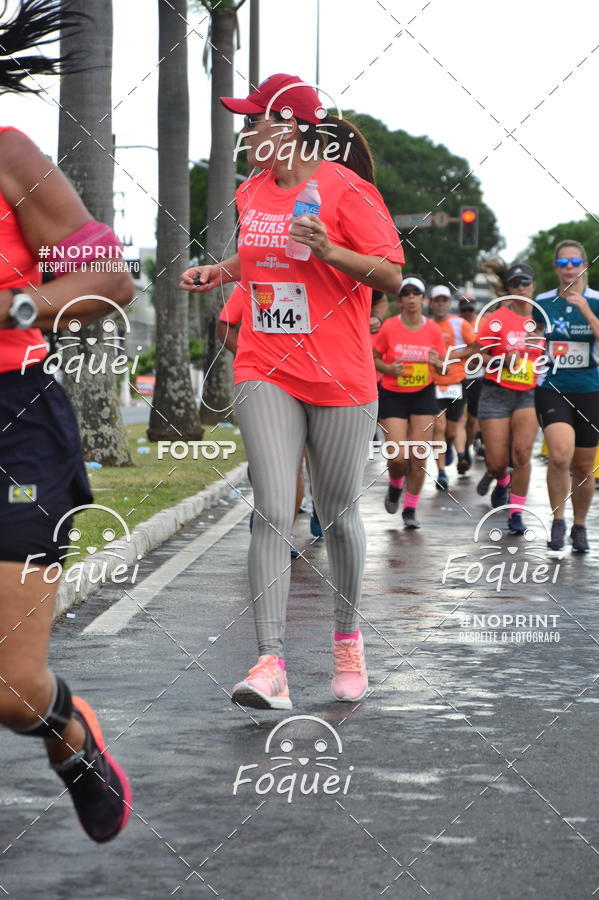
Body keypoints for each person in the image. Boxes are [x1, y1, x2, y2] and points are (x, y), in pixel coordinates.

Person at [181, 74, 404, 708]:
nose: (246, 131)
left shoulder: (348, 190)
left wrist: (329, 250)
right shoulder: (251, 190)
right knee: (273, 509)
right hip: (266, 365)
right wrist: (221, 272)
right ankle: (269, 664)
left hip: (340, 376)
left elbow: (391, 273)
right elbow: (258, 260)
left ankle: (347, 641)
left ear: (294, 129)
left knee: (337, 515)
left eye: (255, 120)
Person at [0, 0, 133, 842]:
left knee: (12, 691)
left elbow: (110, 280)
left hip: (13, 419)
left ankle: (71, 738)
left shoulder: (10, 156)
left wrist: (18, 304)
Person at [217, 286, 304, 556]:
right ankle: (268, 509)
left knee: (295, 461)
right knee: (269, 460)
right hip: (263, 381)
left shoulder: (318, 275)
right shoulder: (253, 282)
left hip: (309, 379)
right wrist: (251, 357)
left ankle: (286, 527)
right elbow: (224, 325)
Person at [533, 240, 599, 553]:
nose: (569, 267)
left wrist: (585, 310)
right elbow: (534, 337)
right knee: (560, 455)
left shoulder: (596, 301)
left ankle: (579, 525)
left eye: (574, 262)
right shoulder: (543, 301)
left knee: (584, 466)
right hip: (552, 387)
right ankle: (558, 520)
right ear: (555, 268)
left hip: (589, 388)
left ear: (584, 266)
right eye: (562, 263)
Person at [474, 262, 543, 534]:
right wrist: (502, 360)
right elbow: (478, 355)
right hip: (496, 393)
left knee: (523, 453)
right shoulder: (497, 318)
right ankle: (501, 480)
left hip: (528, 393)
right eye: (515, 284)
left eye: (525, 282)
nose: (521, 288)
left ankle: (516, 514)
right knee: (497, 462)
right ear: (509, 289)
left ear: (533, 285)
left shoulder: (543, 318)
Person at [373, 276, 445, 527]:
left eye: (416, 293)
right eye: (406, 293)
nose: (411, 297)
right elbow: (373, 357)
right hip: (393, 394)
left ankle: (410, 509)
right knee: (397, 457)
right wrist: (388, 369)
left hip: (423, 394)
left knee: (419, 456)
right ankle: (395, 485)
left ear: (423, 299)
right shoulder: (389, 327)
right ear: (400, 300)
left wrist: (438, 364)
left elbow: (444, 367)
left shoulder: (433, 330)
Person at [429, 285, 477, 489]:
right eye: (437, 301)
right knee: (438, 426)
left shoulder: (459, 324)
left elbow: (476, 346)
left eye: (444, 300)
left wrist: (453, 356)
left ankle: (450, 446)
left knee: (452, 428)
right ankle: (441, 473)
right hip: (433, 383)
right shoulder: (426, 325)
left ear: (449, 303)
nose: (440, 304)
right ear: (431, 303)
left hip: (457, 381)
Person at [458, 296, 485, 466]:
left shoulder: (482, 324)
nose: (468, 312)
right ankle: (463, 453)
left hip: (477, 376)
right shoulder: (455, 324)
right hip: (458, 376)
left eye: (470, 309)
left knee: (473, 420)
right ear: (459, 309)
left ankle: (468, 446)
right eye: (464, 309)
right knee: (461, 417)